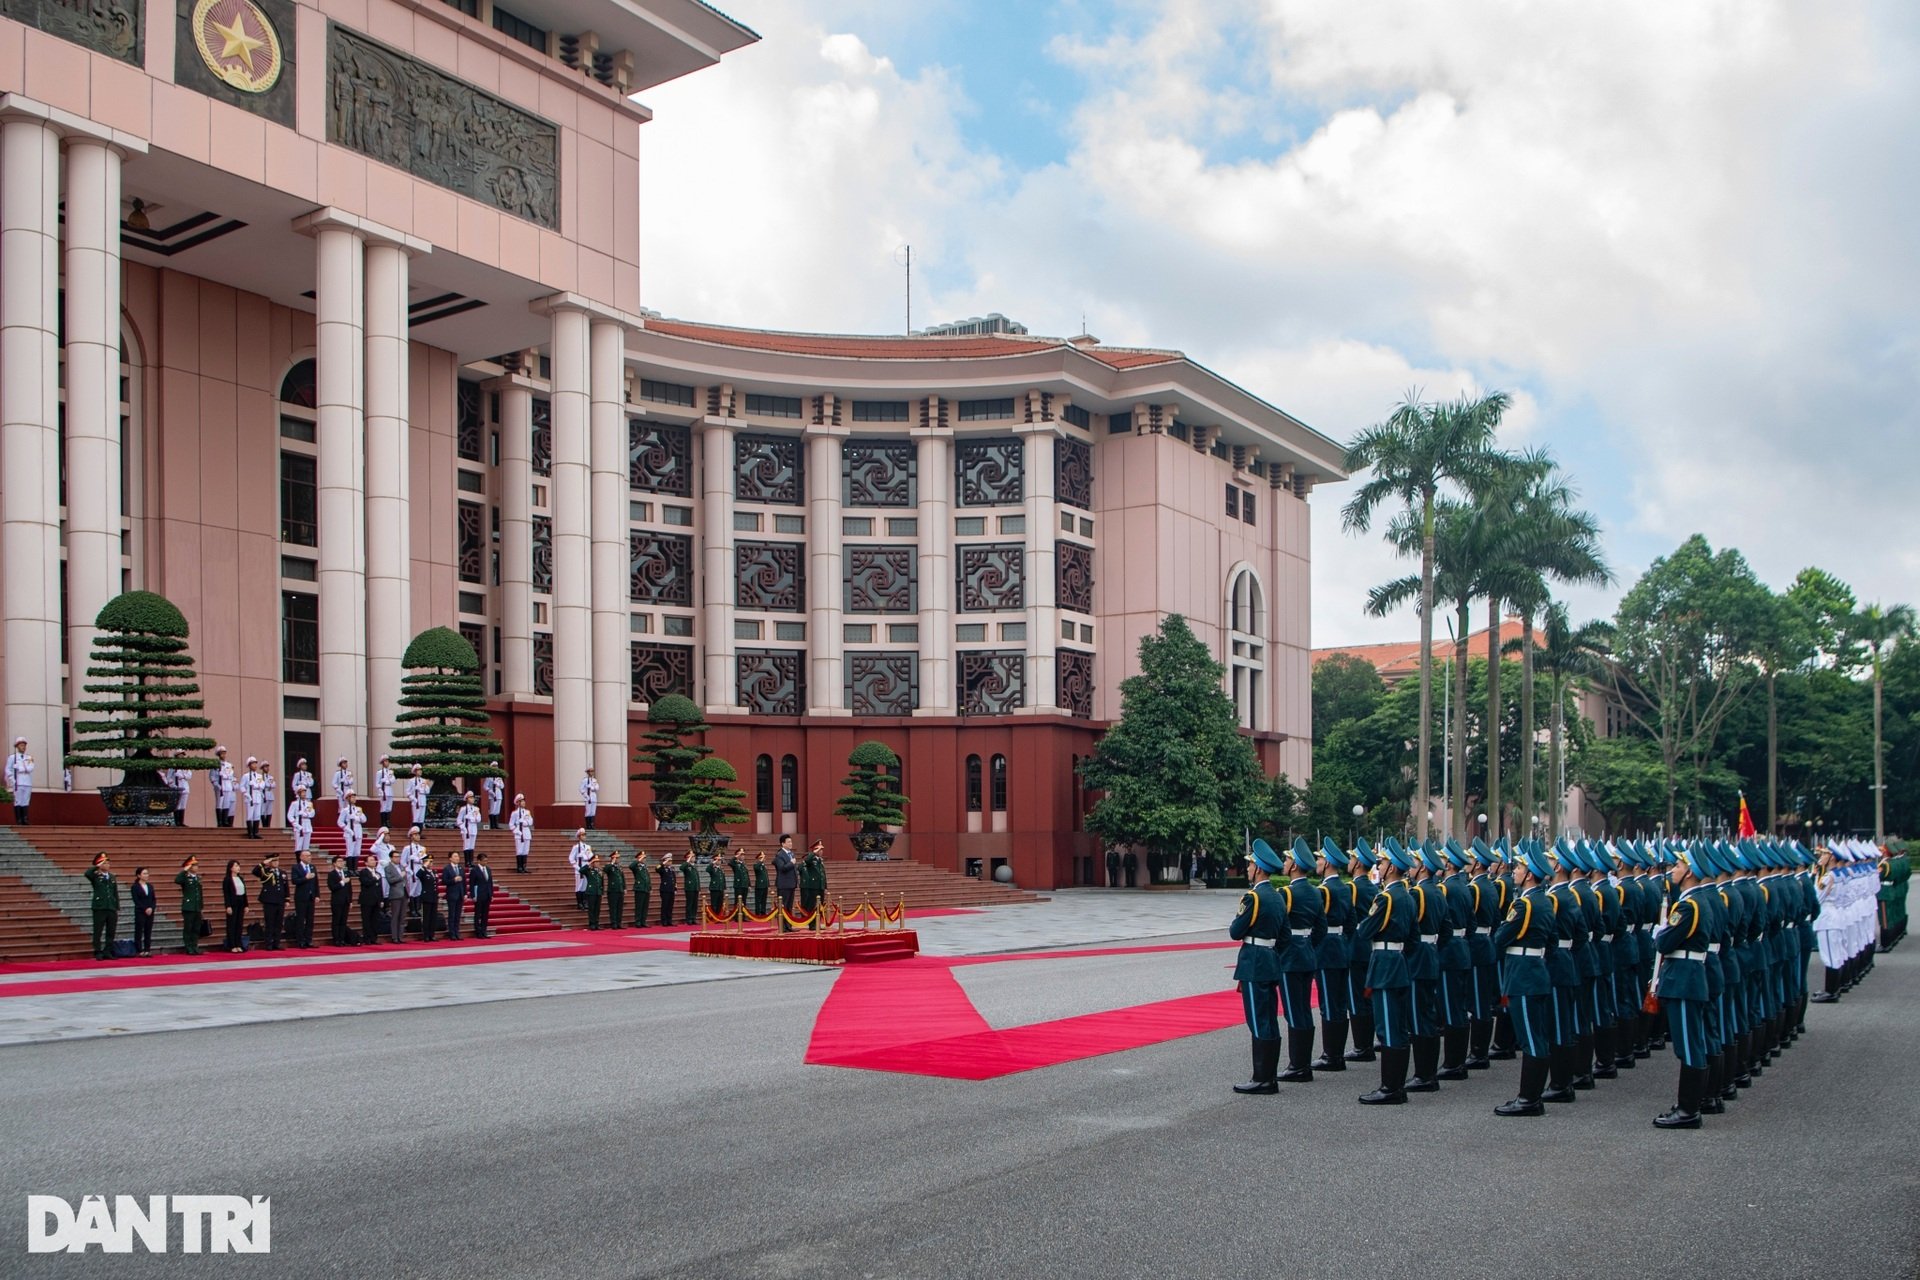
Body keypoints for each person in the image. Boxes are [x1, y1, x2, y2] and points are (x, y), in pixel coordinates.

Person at [1652, 844, 1721, 1129]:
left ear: (1689, 871)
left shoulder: (1689, 905)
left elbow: (1664, 943)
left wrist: (1660, 933)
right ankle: (1692, 1103)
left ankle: (1688, 1109)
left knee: (1689, 1045)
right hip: (1689, 976)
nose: (1672, 871)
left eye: (1678, 866)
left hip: (1684, 979)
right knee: (1693, 1041)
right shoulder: (1699, 900)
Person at [1490, 843, 1559, 1117]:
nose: (1515, 871)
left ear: (1529, 874)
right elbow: (1552, 943)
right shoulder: (1545, 901)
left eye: (1519, 867)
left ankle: (1529, 1099)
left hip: (1524, 976)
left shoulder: (1525, 903)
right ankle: (1531, 1096)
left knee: (1531, 1038)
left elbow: (1500, 937)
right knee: (1537, 1036)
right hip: (1536, 971)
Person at [1353, 839, 1418, 1105]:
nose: (1378, 865)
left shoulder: (1387, 897)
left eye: (1382, 862)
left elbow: (1365, 930)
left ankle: (1391, 1088)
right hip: (1399, 962)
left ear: (1391, 869)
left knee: (1388, 1027)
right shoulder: (1408, 895)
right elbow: (1414, 939)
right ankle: (1395, 1086)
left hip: (1385, 964)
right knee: (1398, 1026)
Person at [1229, 838, 1289, 1094]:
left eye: (1251, 865)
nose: (1248, 870)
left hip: (1254, 962)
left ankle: (1262, 1078)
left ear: (1260, 869)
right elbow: (1285, 938)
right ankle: (1268, 1076)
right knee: (1268, 1019)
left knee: (1258, 1020)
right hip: (1270, 960)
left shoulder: (1254, 897)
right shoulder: (1277, 897)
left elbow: (1235, 931)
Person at [1310, 837, 1356, 1071]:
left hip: (1327, 948)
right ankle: (1336, 1052)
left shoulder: (1324, 890)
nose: (1316, 862)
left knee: (1329, 1003)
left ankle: (1332, 1056)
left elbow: (1316, 925)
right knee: (1339, 1002)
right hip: (1341, 947)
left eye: (1319, 858)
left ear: (1327, 863)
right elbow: (1351, 923)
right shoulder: (1346, 887)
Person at [86, 852, 120, 960]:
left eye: (108, 863)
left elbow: (115, 892)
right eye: (104, 863)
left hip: (111, 907)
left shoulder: (112, 877)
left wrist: (116, 906)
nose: (107, 865)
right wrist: (96, 866)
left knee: (111, 930)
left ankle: (108, 950)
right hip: (100, 907)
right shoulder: (96, 875)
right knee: (98, 930)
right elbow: (87, 873)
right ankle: (97, 951)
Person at [255, 853, 287, 951]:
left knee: (279, 923)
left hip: (280, 900)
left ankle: (277, 942)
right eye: (273, 861)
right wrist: (263, 864)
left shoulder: (282, 872)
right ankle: (269, 943)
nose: (276, 862)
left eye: (277, 860)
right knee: (269, 923)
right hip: (269, 900)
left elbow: (285, 886)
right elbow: (255, 871)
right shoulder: (265, 872)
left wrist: (287, 899)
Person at [175, 856, 204, 956]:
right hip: (188, 906)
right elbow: (177, 880)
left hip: (197, 907)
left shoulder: (198, 878)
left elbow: (200, 893)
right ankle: (188, 947)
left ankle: (195, 946)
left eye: (197, 865)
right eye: (194, 865)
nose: (197, 867)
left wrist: (201, 907)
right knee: (188, 927)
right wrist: (184, 871)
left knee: (196, 928)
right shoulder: (185, 877)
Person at [290, 848, 318, 948]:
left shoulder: (312, 867)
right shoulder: (296, 867)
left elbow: (316, 882)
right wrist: (305, 878)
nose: (309, 857)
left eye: (310, 855)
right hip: (301, 897)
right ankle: (300, 940)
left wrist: (317, 895)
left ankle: (308, 939)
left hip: (311, 896)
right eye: (307, 856)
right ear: (301, 857)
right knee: (301, 919)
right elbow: (294, 880)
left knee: (310, 919)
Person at [221, 859, 248, 953]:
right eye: (236, 866)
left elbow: (244, 893)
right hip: (232, 904)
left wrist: (246, 905)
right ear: (231, 868)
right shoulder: (227, 879)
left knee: (239, 924)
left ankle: (238, 944)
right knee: (231, 924)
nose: (238, 868)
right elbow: (226, 894)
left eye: (238, 866)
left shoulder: (241, 879)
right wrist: (228, 906)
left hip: (241, 903)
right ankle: (231, 944)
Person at [5, 737, 33, 825]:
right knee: (18, 800)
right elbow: (8, 770)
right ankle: (19, 820)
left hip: (27, 782)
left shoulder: (29, 758)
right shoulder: (12, 757)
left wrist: (19, 768)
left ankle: (25, 819)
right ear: (17, 746)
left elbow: (30, 768)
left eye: (24, 745)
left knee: (26, 800)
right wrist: (12, 779)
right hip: (18, 782)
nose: (23, 747)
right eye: (21, 745)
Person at [357, 857, 384, 946]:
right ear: (366, 863)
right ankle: (367, 938)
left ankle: (374, 938)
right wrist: (374, 878)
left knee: (375, 920)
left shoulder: (377, 873)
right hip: (367, 900)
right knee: (366, 920)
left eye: (374, 860)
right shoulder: (363, 872)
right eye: (371, 860)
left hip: (376, 900)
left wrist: (381, 899)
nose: (374, 862)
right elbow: (366, 882)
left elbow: (380, 888)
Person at [130, 866, 156, 957]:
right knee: (139, 930)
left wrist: (151, 908)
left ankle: (147, 949)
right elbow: (136, 900)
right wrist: (145, 908)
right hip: (140, 911)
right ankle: (139, 950)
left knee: (148, 931)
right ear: (138, 875)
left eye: (147, 873)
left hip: (150, 911)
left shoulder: (150, 886)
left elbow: (153, 899)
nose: (146, 875)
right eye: (144, 873)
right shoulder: (135, 887)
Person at [774, 835, 798, 930]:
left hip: (791, 884)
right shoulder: (779, 855)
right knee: (783, 906)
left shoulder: (791, 854)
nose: (790, 843)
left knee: (789, 907)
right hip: (784, 884)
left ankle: (788, 926)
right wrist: (791, 863)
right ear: (783, 843)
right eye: (788, 842)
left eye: (791, 841)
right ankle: (782, 927)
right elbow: (782, 868)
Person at [382, 854, 408, 944]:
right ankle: (394, 937)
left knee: (402, 916)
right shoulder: (388, 868)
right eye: (396, 857)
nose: (398, 858)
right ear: (391, 858)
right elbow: (390, 880)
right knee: (395, 916)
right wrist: (400, 876)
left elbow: (405, 878)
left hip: (404, 893)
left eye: (399, 857)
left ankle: (400, 936)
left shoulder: (401, 867)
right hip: (395, 894)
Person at [327, 855, 352, 946]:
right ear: (334, 863)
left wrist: (350, 900)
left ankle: (342, 939)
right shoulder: (332, 874)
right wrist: (342, 882)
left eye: (342, 861)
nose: (342, 863)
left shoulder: (346, 873)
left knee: (343, 921)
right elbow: (332, 887)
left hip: (345, 900)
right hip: (337, 901)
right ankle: (336, 939)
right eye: (339, 861)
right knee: (336, 920)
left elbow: (349, 888)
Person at [441, 853, 465, 941]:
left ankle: (457, 931)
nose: (457, 858)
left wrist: (465, 893)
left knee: (458, 915)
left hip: (460, 894)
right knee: (452, 914)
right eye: (455, 856)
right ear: (450, 858)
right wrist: (453, 880)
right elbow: (444, 881)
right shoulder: (447, 868)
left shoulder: (461, 868)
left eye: (458, 856)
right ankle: (452, 933)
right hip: (451, 894)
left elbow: (464, 882)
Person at [338, 792, 366, 868]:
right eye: (352, 797)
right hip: (349, 831)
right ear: (347, 799)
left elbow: (364, 819)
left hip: (358, 829)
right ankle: (350, 868)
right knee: (350, 850)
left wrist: (356, 818)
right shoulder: (345, 810)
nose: (354, 799)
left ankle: (355, 868)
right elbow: (339, 822)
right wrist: (348, 830)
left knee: (357, 850)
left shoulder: (358, 809)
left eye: (354, 797)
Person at [470, 852, 494, 938]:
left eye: (486, 861)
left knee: (485, 914)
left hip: (487, 894)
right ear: (479, 861)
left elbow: (490, 883)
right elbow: (472, 884)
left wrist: (491, 894)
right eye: (484, 861)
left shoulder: (488, 869)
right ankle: (478, 931)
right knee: (478, 913)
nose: (485, 862)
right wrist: (473, 895)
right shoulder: (474, 870)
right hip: (479, 894)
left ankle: (484, 930)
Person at [211, 747, 237, 827]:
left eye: (224, 753)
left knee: (226, 803)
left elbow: (231, 774)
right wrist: (216, 784)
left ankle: (225, 820)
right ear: (218, 754)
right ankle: (219, 822)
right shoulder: (215, 765)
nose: (223, 755)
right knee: (219, 803)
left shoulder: (229, 765)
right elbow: (212, 776)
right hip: (220, 785)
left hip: (227, 784)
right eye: (221, 753)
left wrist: (225, 776)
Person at [568, 828, 592, 910]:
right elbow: (571, 858)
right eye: (582, 835)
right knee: (579, 886)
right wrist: (578, 868)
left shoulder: (588, 847)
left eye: (585, 835)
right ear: (578, 836)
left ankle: (585, 902)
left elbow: (590, 857)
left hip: (586, 866)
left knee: (585, 885)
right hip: (580, 868)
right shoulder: (576, 847)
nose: (584, 836)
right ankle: (579, 902)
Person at [288, 786, 315, 856]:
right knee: (299, 846)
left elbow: (312, 813)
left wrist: (306, 814)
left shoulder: (309, 803)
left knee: (306, 845)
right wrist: (296, 825)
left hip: (307, 824)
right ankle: (299, 862)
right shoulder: (294, 803)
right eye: (302, 792)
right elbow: (289, 815)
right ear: (298, 793)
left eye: (305, 792)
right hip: (299, 824)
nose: (304, 794)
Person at [509, 795, 533, 873]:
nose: (524, 802)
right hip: (519, 833)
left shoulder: (527, 812)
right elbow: (511, 825)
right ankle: (519, 867)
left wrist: (525, 822)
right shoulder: (515, 813)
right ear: (518, 802)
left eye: (524, 801)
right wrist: (517, 831)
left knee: (526, 850)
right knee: (519, 850)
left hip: (526, 831)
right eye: (522, 801)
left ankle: (524, 866)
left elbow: (531, 821)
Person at [457, 792, 481, 863]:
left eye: (473, 797)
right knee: (466, 845)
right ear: (467, 799)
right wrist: (463, 827)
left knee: (472, 845)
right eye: (470, 798)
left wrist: (474, 818)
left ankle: (471, 861)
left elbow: (479, 819)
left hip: (473, 828)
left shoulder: (476, 809)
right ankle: (467, 862)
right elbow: (459, 820)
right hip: (466, 829)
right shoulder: (463, 809)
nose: (472, 799)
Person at [373, 755, 396, 830]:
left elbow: (393, 780)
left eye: (387, 761)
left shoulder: (390, 772)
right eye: (385, 761)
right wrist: (380, 790)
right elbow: (377, 783)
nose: (387, 762)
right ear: (382, 763)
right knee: (384, 807)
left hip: (389, 789)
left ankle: (388, 822)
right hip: (383, 790)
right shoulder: (380, 772)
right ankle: (383, 823)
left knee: (389, 807)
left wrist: (387, 781)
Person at [605, 850, 626, 929]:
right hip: (613, 890)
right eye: (616, 858)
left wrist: (624, 887)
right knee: (613, 907)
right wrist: (612, 863)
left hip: (620, 890)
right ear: (613, 858)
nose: (618, 859)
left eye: (618, 858)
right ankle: (613, 923)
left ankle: (618, 923)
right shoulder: (610, 866)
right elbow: (606, 870)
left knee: (619, 907)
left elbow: (622, 878)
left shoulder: (619, 867)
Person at [582, 853, 604, 929]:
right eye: (596, 862)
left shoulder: (600, 871)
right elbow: (581, 870)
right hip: (591, 892)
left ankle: (596, 923)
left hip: (598, 892)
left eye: (598, 862)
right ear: (593, 863)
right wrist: (589, 864)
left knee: (597, 909)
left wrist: (602, 891)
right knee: (591, 909)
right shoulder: (589, 870)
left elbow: (602, 882)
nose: (598, 863)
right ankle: (592, 924)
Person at [630, 853, 650, 930]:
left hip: (646, 888)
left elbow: (647, 877)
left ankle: (643, 921)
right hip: (639, 888)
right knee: (639, 906)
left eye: (644, 858)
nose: (644, 859)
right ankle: (638, 921)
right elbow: (631, 866)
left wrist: (649, 887)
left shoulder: (645, 867)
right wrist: (638, 860)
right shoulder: (636, 867)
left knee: (645, 906)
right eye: (643, 858)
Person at [406, 765, 428, 831]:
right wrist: (413, 799)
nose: (420, 771)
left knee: (421, 818)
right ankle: (414, 832)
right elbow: (408, 792)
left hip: (422, 801)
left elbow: (427, 791)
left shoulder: (424, 780)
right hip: (416, 802)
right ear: (415, 771)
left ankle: (419, 833)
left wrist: (422, 789)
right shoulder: (411, 781)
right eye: (418, 770)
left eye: (421, 770)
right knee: (416, 818)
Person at [680, 852, 700, 926]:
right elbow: (681, 868)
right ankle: (688, 919)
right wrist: (688, 860)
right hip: (689, 887)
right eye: (691, 856)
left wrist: (699, 888)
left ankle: (693, 918)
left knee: (695, 904)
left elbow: (697, 878)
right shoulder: (686, 866)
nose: (693, 857)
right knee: (690, 904)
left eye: (694, 856)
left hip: (695, 887)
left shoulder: (693, 866)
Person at [658, 852, 677, 926]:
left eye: (671, 861)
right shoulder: (662, 869)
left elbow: (674, 879)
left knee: (670, 906)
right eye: (669, 861)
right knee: (665, 905)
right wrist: (664, 863)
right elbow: (657, 869)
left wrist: (675, 888)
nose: (670, 862)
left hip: (671, 889)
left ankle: (669, 920)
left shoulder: (671, 869)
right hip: (665, 890)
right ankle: (664, 920)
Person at [171, 755, 191, 826]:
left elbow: (189, 775)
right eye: (180, 755)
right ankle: (177, 822)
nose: (181, 756)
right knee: (177, 805)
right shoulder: (173, 766)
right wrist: (173, 785)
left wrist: (183, 776)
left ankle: (181, 822)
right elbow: (169, 778)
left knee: (183, 805)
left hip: (185, 787)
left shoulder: (186, 765)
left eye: (182, 755)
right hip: (177, 787)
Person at [706, 856, 726, 924]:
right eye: (718, 860)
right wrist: (712, 863)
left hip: (720, 888)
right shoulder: (712, 868)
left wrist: (724, 887)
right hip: (714, 888)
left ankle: (718, 917)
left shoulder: (721, 869)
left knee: (719, 904)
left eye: (720, 860)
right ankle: (714, 917)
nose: (719, 861)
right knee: (714, 904)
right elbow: (707, 869)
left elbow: (723, 879)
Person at [752, 851, 770, 916]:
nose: (764, 858)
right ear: (759, 858)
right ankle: (758, 913)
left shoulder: (763, 866)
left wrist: (768, 884)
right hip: (759, 885)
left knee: (764, 900)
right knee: (758, 900)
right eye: (762, 857)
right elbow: (756, 868)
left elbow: (766, 876)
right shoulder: (756, 865)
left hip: (765, 885)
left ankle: (763, 912)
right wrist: (761, 860)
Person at [259, 763, 276, 830]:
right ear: (262, 768)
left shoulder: (270, 777)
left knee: (269, 810)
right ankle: (264, 825)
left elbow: (274, 785)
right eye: (265, 767)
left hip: (270, 794)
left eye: (267, 767)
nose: (267, 768)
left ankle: (268, 825)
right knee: (263, 810)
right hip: (264, 794)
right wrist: (269, 784)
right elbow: (262, 785)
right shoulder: (260, 777)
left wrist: (268, 785)